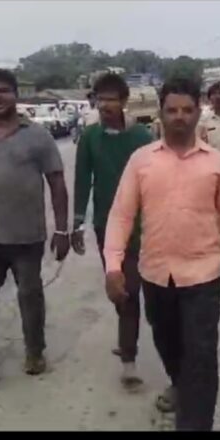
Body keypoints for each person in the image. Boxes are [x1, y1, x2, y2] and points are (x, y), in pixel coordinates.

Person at [104, 78, 220, 430]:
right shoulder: (141, 161)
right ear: (160, 113)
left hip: (203, 277)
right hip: (156, 275)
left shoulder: (216, 163)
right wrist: (113, 266)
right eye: (172, 110)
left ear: (198, 112)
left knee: (201, 356)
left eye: (187, 110)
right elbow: (121, 216)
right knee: (168, 344)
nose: (180, 117)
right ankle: (180, 384)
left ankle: (195, 421)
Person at [0, 68, 70, 396]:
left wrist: (62, 230)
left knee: (30, 297)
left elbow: (57, 183)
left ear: (16, 95)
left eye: (4, 90)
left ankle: (35, 352)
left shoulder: (38, 136)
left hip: (27, 239)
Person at [72, 73, 153, 389]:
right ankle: (127, 337)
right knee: (119, 290)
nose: (104, 105)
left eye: (111, 99)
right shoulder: (90, 137)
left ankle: (128, 357)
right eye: (100, 99)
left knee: (132, 289)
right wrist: (77, 222)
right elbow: (82, 180)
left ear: (124, 101)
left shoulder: (142, 137)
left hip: (143, 227)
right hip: (106, 227)